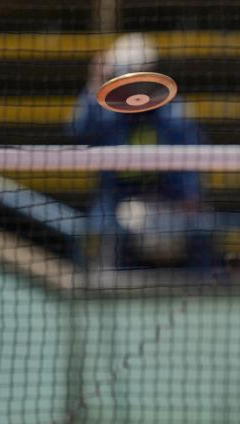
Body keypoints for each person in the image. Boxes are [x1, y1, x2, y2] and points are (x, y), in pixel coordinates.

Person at [69, 33, 207, 271]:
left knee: (202, 228)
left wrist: (189, 196)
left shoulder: (174, 111)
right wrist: (94, 85)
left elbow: (190, 157)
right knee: (103, 229)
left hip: (166, 196)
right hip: (116, 198)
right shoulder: (105, 110)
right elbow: (77, 129)